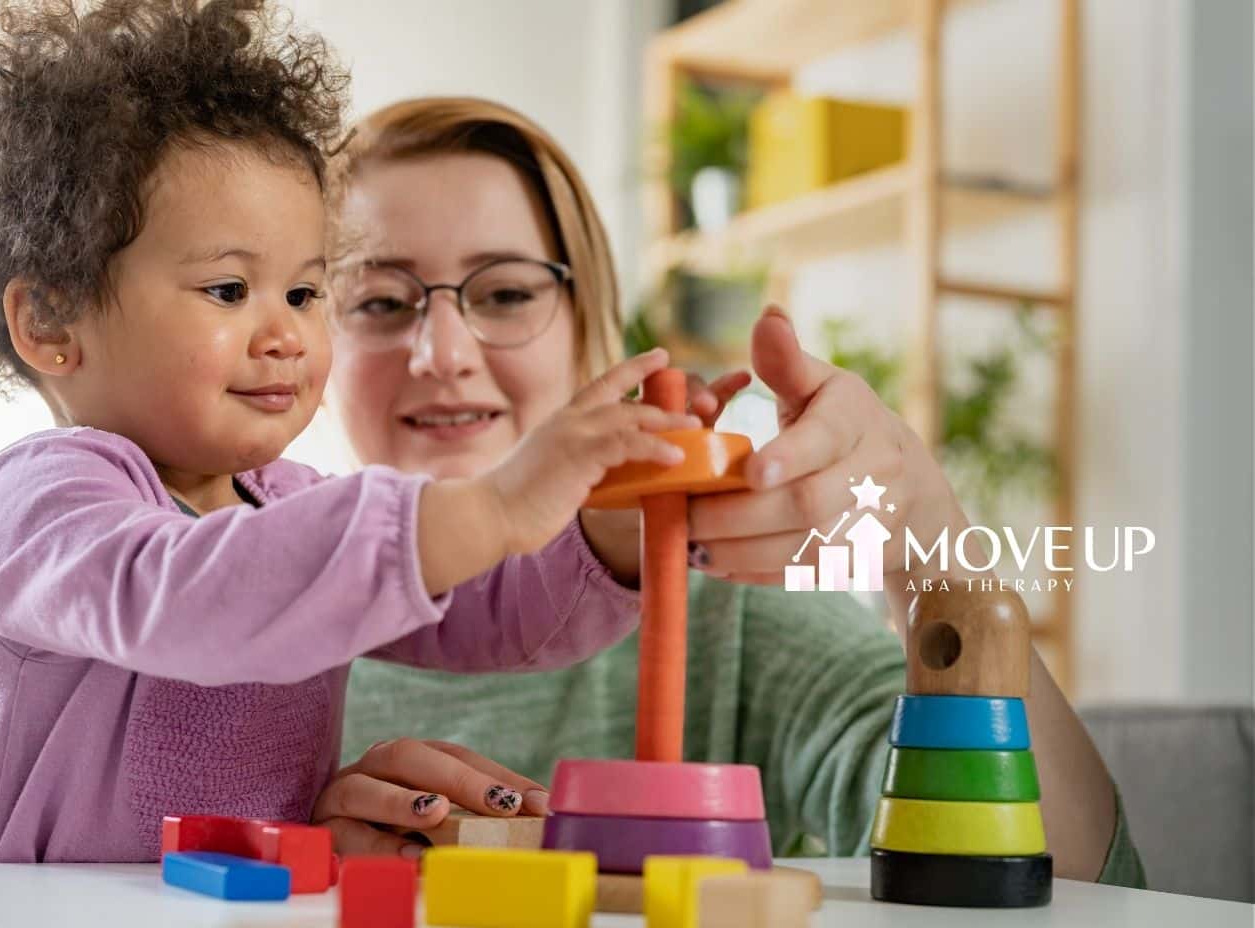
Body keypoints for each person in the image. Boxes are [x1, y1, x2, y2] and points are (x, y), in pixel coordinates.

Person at [0, 1, 694, 862]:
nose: (286, 335)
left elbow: (492, 610)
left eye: (306, 295)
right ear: (51, 321)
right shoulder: (43, 502)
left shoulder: (295, 508)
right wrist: (490, 506)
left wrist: (610, 534)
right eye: (230, 291)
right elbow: (194, 594)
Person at [329, 97, 1143, 886]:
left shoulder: (724, 604)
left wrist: (928, 546)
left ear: (589, 325)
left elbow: (1069, 892)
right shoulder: (235, 606)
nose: (442, 352)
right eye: (379, 300)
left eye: (506, 293)